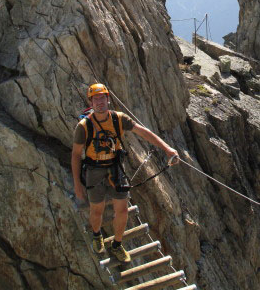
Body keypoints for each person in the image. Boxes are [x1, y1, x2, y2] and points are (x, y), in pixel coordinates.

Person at [71, 83, 179, 262]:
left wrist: (167, 149)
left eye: (102, 98)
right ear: (90, 101)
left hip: (114, 167)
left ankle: (117, 244)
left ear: (108, 99)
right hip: (94, 169)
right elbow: (75, 155)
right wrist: (77, 183)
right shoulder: (84, 126)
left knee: (122, 211)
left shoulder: (118, 119)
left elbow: (143, 132)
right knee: (96, 210)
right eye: (95, 99)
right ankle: (97, 234)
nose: (99, 102)